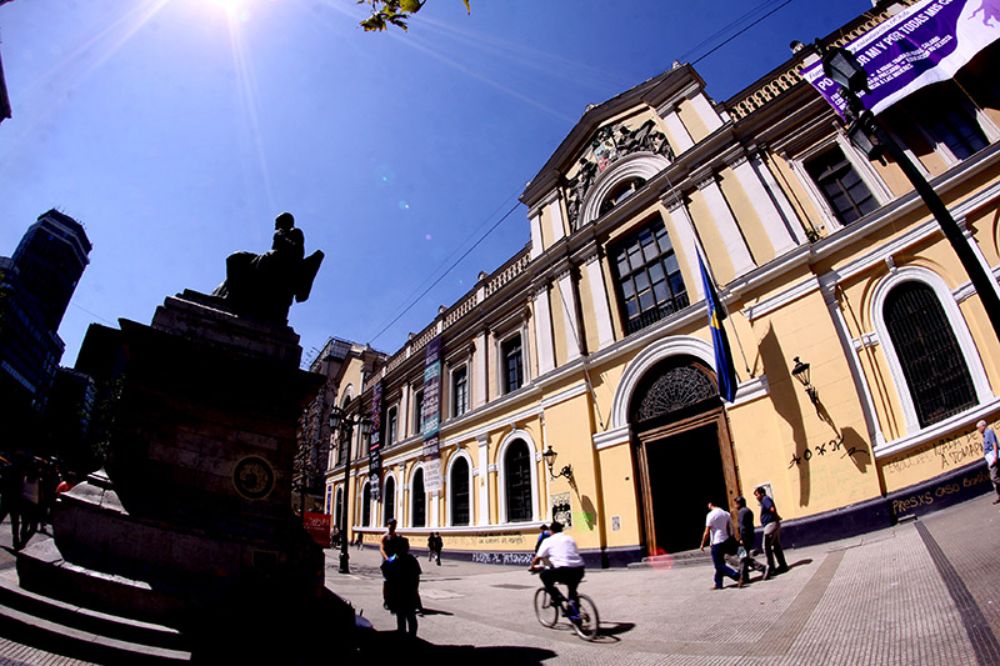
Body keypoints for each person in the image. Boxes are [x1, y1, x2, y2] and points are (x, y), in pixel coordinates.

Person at [529, 521, 585, 616]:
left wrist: (532, 566)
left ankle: (557, 598)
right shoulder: (569, 538)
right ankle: (574, 611)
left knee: (544, 576)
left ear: (551, 531)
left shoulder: (548, 540)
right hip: (579, 569)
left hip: (563, 570)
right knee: (572, 589)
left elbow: (538, 557)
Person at [381, 537, 422, 637]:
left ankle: (403, 634)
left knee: (402, 616)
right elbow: (417, 576)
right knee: (409, 616)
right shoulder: (410, 559)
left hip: (399, 592)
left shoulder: (395, 558)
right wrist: (415, 590)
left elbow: (384, 568)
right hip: (406, 592)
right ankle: (410, 635)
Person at [700, 500, 741, 590]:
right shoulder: (726, 513)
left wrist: (702, 543)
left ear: (710, 504)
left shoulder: (710, 515)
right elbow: (730, 527)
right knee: (721, 563)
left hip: (716, 541)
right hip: (725, 540)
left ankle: (737, 576)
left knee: (718, 565)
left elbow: (707, 532)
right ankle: (718, 583)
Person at [755, 486, 788, 576]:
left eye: (757, 495)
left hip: (770, 525)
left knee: (766, 546)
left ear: (761, 493)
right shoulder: (766, 500)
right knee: (776, 546)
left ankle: (770, 567)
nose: (756, 497)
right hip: (774, 523)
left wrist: (774, 515)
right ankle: (782, 565)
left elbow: (772, 509)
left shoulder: (765, 499)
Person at [735, 496, 768, 584]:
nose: (735, 506)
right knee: (744, 558)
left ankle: (762, 569)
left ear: (739, 503)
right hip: (750, 536)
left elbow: (742, 527)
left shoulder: (742, 512)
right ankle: (745, 577)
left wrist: (741, 538)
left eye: (736, 504)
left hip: (744, 538)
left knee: (742, 558)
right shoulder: (749, 511)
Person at [977, 420, 1000, 504]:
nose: (978, 430)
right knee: (995, 477)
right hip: (990, 459)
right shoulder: (985, 435)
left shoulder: (989, 432)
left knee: (994, 477)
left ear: (983, 426)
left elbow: (995, 444)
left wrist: (995, 457)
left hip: (994, 458)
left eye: (978, 428)